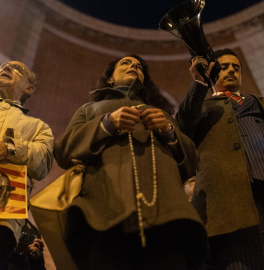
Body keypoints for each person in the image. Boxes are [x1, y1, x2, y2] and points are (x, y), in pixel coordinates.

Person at [54, 54, 208, 270]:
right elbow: (62, 150)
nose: (133, 67)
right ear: (109, 78)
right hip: (102, 214)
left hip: (168, 215)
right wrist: (106, 124)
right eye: (125, 63)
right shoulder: (89, 110)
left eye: (139, 66)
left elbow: (192, 163)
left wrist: (169, 131)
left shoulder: (162, 114)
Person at [176, 48, 264, 269]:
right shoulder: (201, 107)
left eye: (236, 67)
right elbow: (183, 127)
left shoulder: (259, 102)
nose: (232, 71)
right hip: (230, 204)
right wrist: (198, 83)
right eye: (224, 67)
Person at [0, 61, 54, 269]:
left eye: (16, 69)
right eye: (2, 67)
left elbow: (44, 163)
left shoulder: (38, 127)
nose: (5, 68)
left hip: (3, 218)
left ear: (29, 88)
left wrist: (10, 149)